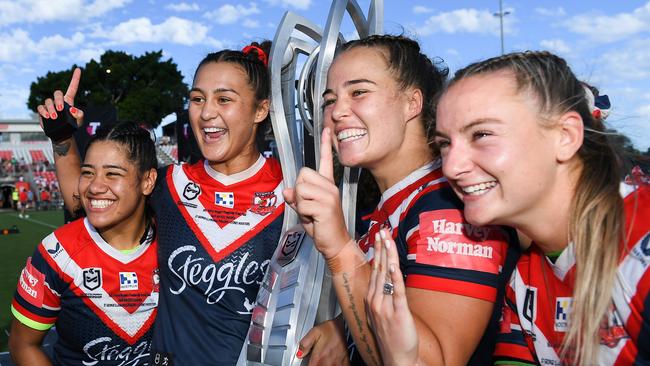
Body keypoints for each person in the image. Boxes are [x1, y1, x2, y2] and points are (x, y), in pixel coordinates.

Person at [42, 41, 284, 365]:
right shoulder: (169, 184)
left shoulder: (292, 192)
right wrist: (61, 139)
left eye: (224, 99)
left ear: (260, 109)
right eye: (197, 98)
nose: (207, 112)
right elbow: (83, 197)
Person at [285, 34, 520, 365]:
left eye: (359, 92)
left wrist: (339, 250)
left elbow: (431, 361)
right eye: (329, 100)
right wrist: (344, 329)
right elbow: (403, 308)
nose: (337, 111)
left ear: (413, 103)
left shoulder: (446, 206)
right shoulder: (397, 204)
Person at [433, 51, 650, 365]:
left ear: (565, 136)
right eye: (444, 143)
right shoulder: (524, 281)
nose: (451, 167)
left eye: (481, 134)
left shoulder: (639, 247)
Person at [9, 122, 159, 365]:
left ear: (148, 181)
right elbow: (22, 344)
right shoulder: (56, 253)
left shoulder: (175, 242)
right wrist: (61, 137)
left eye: (113, 173)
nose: (95, 186)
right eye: (88, 172)